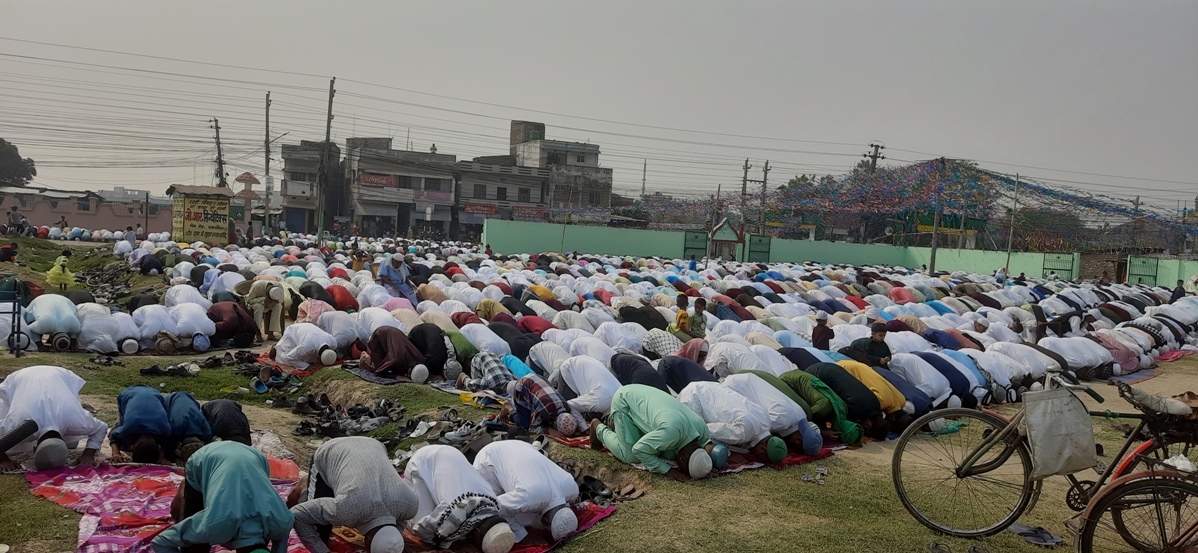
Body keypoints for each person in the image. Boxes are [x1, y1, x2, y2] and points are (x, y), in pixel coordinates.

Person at [153, 441, 294, 553]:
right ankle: (191, 486)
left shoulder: (283, 522)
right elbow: (160, 542)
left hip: (254, 456)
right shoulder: (213, 524)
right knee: (195, 547)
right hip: (204, 458)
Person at [289, 437, 417, 553]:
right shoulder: (348, 509)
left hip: (372, 444)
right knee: (320, 531)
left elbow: (401, 521)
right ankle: (305, 485)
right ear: (366, 540)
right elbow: (298, 515)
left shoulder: (411, 505)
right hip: (332, 450)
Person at [404, 445, 516, 553]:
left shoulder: (494, 504)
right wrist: (455, 544)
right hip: (422, 460)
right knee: (414, 523)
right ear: (476, 531)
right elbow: (422, 530)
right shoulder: (454, 511)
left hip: (451, 452)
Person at [591, 384, 714, 480]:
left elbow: (706, 444)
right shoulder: (671, 432)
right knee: (630, 455)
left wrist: (705, 463)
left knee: (666, 452)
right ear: (682, 460)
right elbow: (638, 449)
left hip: (642, 394)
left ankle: (619, 428)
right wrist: (667, 470)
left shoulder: (702, 428)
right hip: (625, 401)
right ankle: (598, 427)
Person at [0, 365, 107, 471]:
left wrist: (88, 455)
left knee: (72, 444)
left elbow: (101, 427)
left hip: (59, 376)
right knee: (13, 447)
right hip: (20, 378)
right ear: (34, 449)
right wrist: (3, 459)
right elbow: (101, 428)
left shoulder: (75, 420)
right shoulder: (18, 423)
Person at [473, 440, 580, 542]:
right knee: (489, 516)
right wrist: (522, 535)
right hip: (488, 459)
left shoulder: (573, 489)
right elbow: (496, 504)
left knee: (522, 512)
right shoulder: (530, 497)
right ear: (545, 521)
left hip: (521, 445)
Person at [679, 381, 788, 465]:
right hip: (693, 398)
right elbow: (705, 430)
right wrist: (728, 454)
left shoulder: (766, 421)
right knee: (693, 438)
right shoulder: (743, 433)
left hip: (707, 388)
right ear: (762, 448)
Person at [723, 373, 824, 456]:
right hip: (736, 387)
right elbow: (757, 432)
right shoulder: (780, 421)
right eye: (797, 448)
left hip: (747, 379)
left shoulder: (801, 415)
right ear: (798, 439)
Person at [110, 385, 211, 464]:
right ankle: (118, 424)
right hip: (133, 394)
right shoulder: (166, 428)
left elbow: (165, 441)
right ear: (132, 446)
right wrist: (115, 453)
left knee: (125, 425)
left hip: (154, 394)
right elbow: (114, 436)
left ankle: (119, 425)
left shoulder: (169, 428)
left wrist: (164, 457)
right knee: (123, 422)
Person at [501, 374, 581, 436]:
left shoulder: (566, 407)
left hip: (538, 379)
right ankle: (508, 407)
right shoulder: (545, 411)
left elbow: (570, 423)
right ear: (555, 422)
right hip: (522, 387)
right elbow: (531, 428)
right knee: (524, 425)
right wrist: (548, 430)